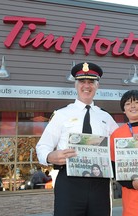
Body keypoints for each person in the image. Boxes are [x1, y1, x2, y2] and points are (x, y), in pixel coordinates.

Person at [36, 62, 119, 216]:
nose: (86, 86)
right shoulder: (61, 114)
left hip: (100, 183)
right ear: (75, 85)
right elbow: (43, 146)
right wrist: (49, 156)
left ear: (97, 86)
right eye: (82, 81)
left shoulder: (106, 117)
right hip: (69, 181)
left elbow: (121, 142)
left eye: (91, 82)